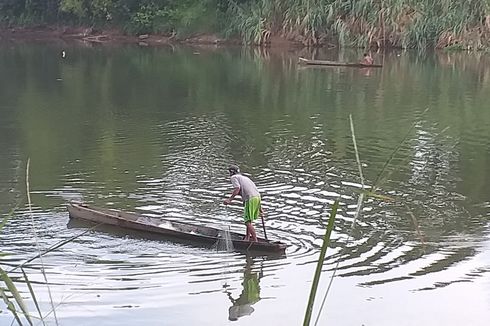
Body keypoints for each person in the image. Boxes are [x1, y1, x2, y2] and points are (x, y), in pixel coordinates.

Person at [223, 164, 263, 242]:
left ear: (232, 172)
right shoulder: (244, 178)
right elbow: (254, 190)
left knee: (247, 221)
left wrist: (229, 200)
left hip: (250, 198)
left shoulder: (234, 177)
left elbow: (237, 189)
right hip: (257, 197)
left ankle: (255, 241)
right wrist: (260, 207)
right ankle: (247, 237)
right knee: (249, 220)